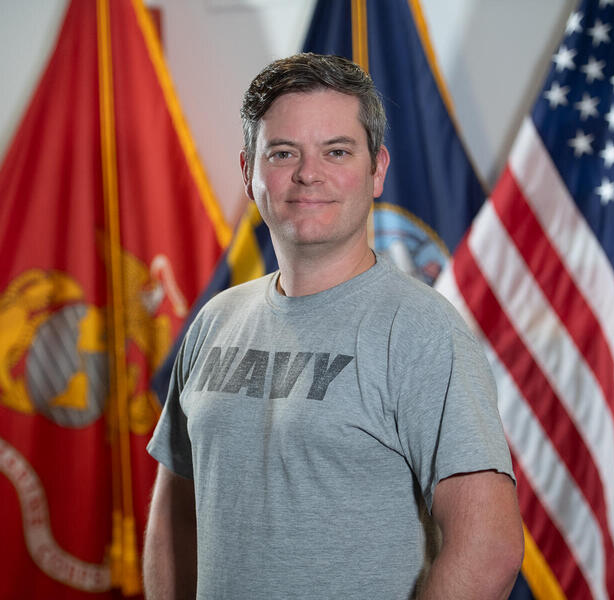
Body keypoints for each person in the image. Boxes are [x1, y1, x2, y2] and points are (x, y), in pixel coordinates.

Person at [143, 52, 524, 599]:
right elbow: (175, 519)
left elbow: (489, 547)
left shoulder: (422, 331)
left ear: (377, 171)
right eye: (283, 152)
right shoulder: (215, 322)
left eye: (336, 151)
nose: (308, 174)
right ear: (249, 172)